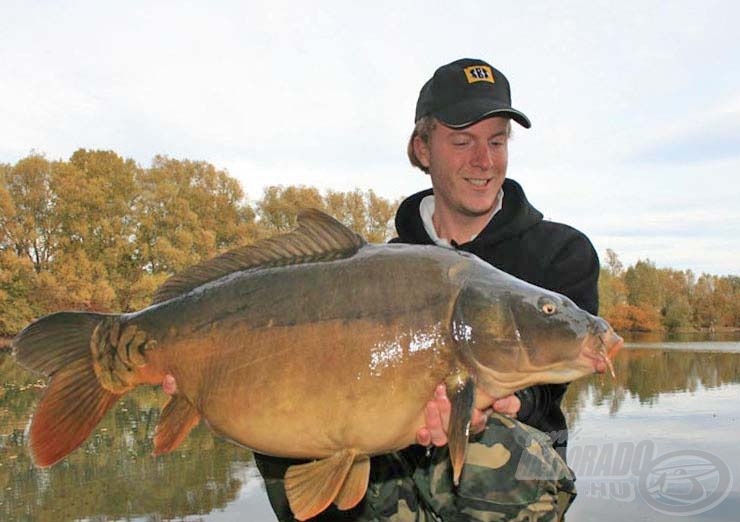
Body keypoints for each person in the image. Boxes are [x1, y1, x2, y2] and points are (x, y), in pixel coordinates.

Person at [165, 58, 599, 521]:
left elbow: (552, 384)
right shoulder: (384, 264)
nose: (483, 160)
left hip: (497, 480)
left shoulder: (560, 252)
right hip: (388, 466)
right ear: (423, 148)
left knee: (492, 438)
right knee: (291, 425)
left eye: (497, 141)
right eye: (462, 140)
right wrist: (203, 368)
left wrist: (510, 401)